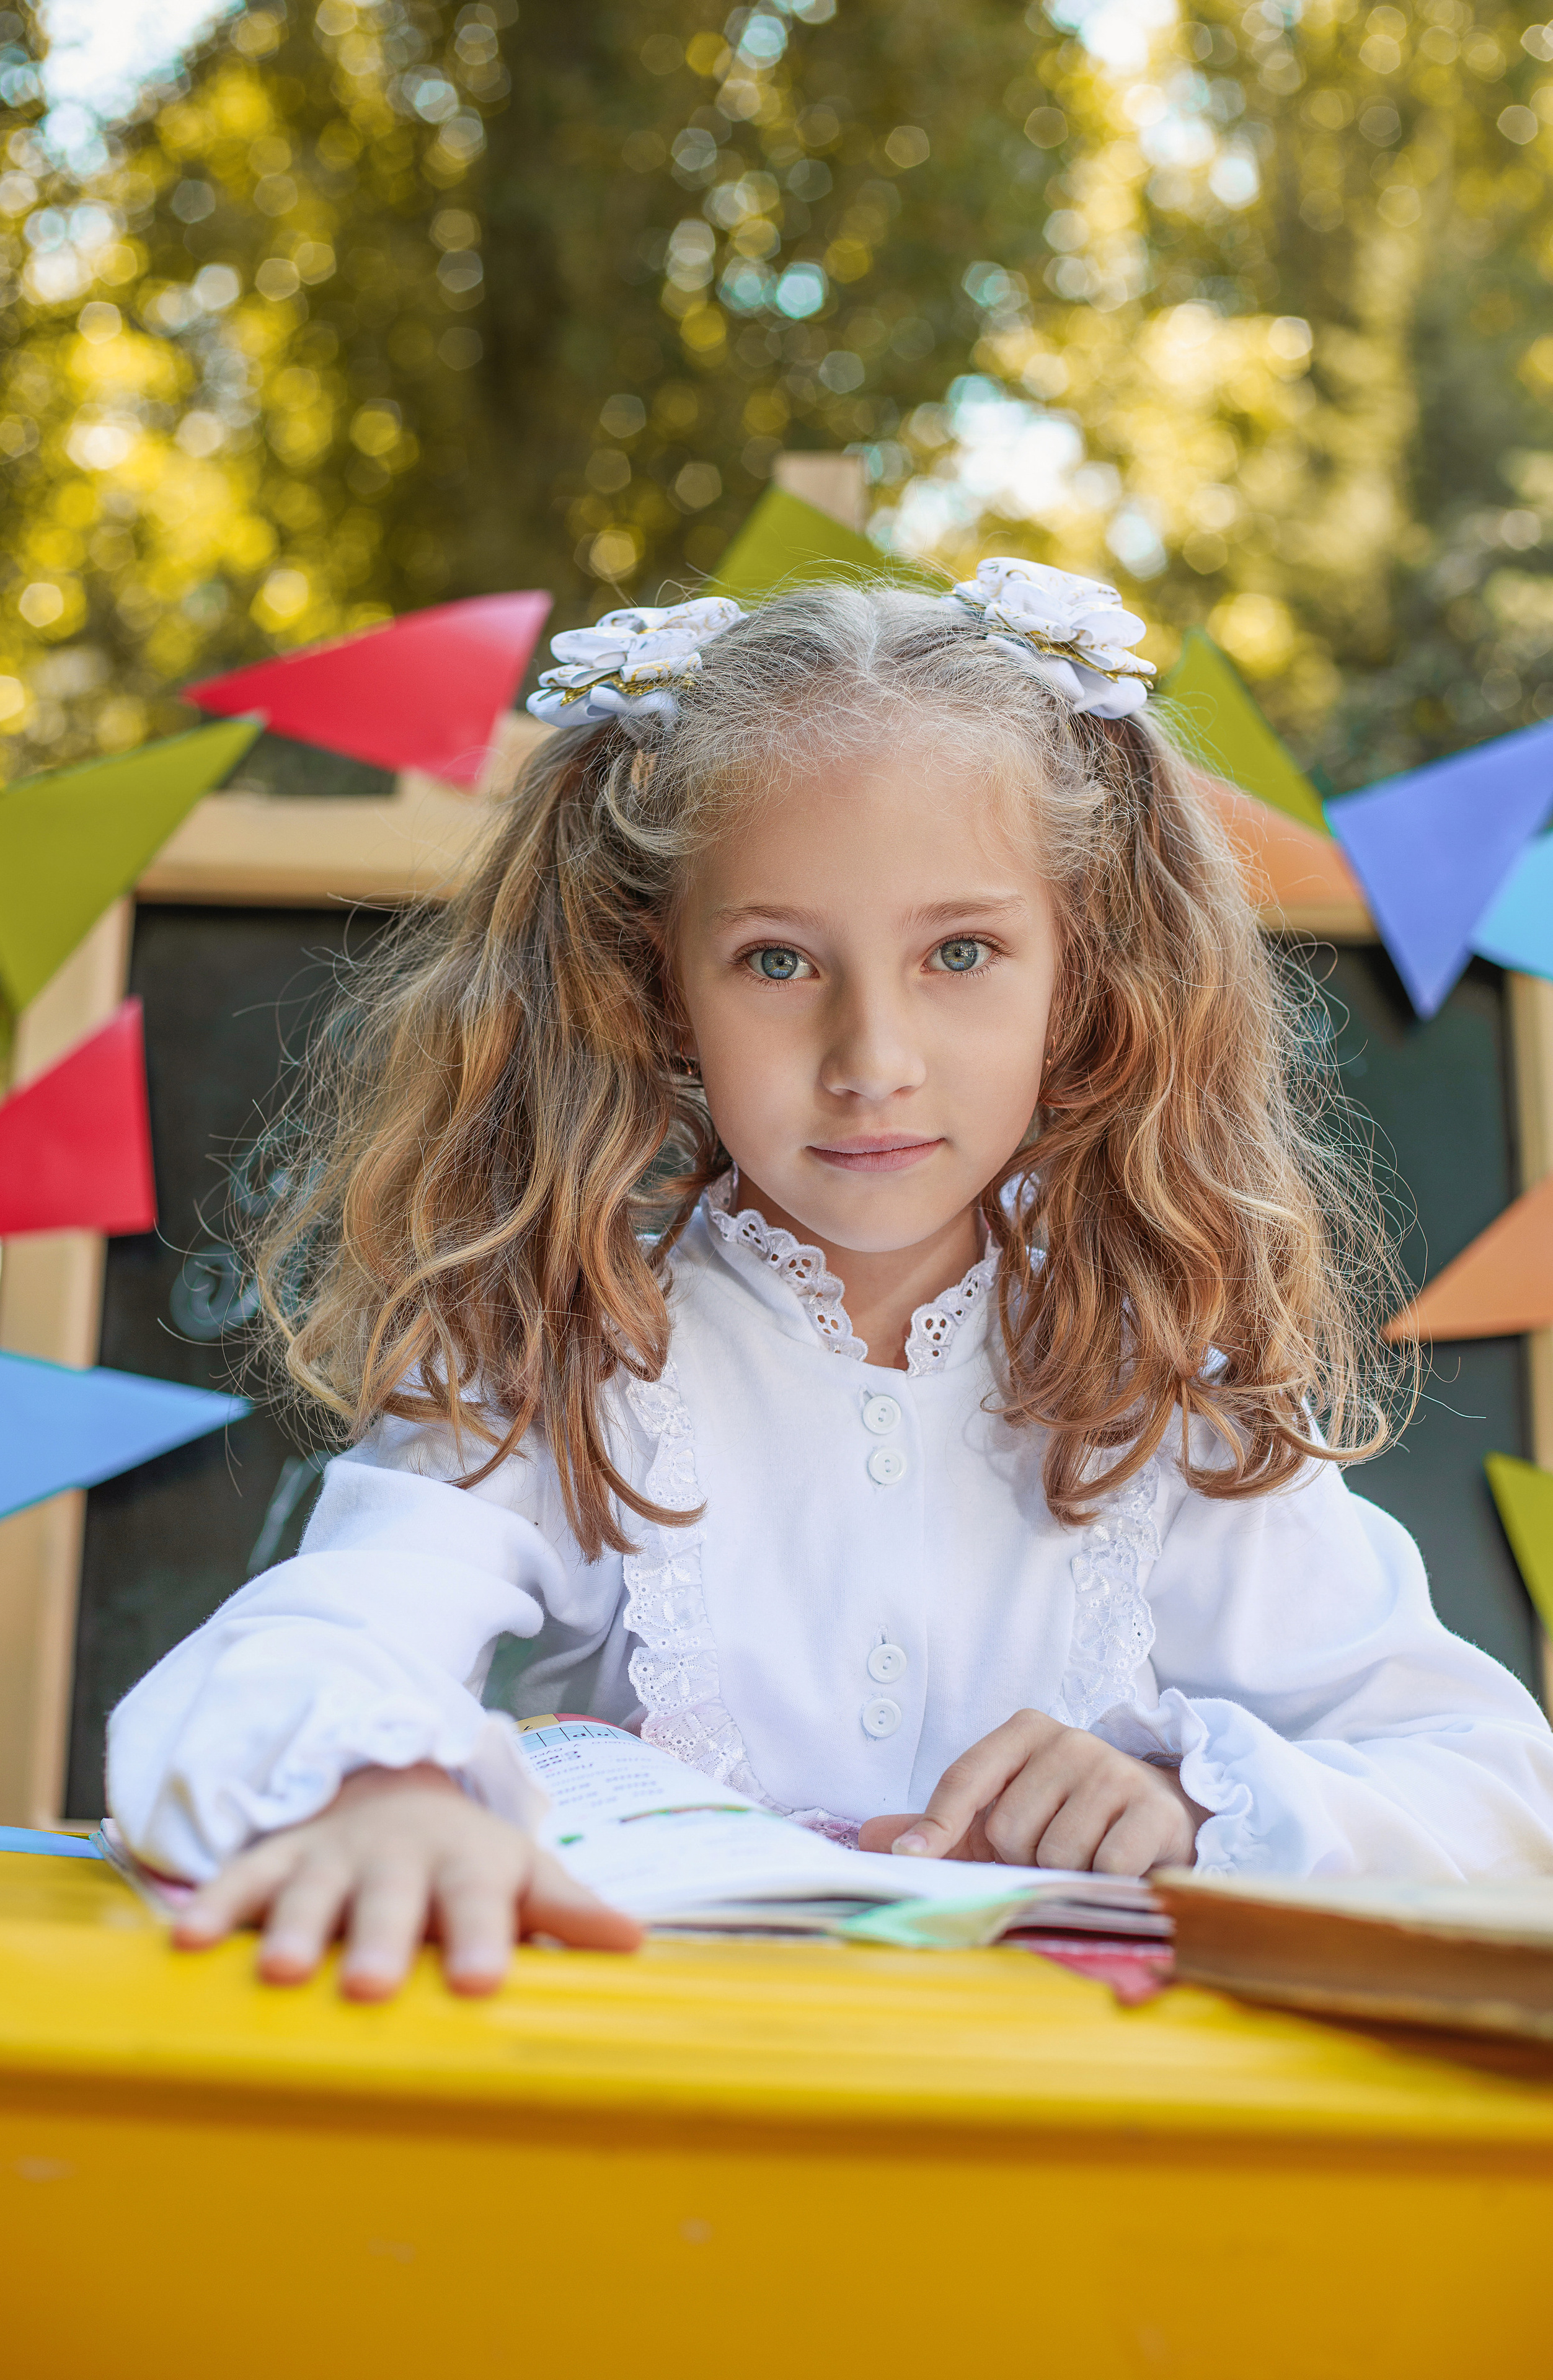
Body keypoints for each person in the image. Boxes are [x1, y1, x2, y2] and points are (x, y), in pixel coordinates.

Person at [108, 563, 1553, 2000]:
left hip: (1082, 2144)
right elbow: (318, 1637)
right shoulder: (560, 1353)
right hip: (662, 2115)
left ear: (1084, 977)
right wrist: (380, 1790)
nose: (872, 1057)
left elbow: (1496, 1794)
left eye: (962, 952)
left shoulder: (1169, 1397)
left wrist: (1197, 1805)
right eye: (779, 960)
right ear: (655, 981)